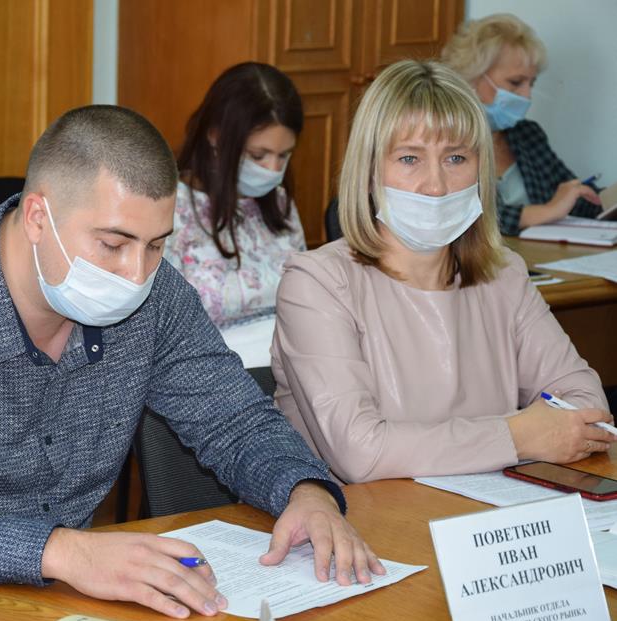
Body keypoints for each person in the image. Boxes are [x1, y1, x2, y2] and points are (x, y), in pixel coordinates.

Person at [0, 105, 385, 619]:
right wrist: (63, 552)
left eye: (157, 245)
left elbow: (235, 420)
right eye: (113, 244)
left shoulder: (155, 296)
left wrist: (305, 489)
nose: (137, 273)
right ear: (37, 218)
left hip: (48, 601)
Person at [271, 60, 614, 485]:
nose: (435, 184)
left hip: (494, 511)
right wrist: (519, 435)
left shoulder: (503, 274)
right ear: (370, 172)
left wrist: (510, 437)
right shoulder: (317, 284)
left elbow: (587, 406)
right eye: (409, 158)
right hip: (370, 518)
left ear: (480, 170)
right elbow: (361, 453)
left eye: (455, 157)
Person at [164, 62, 305, 367]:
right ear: (215, 136)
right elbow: (163, 328)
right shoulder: (173, 210)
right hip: (217, 371)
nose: (273, 169)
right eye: (258, 155)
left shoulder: (279, 202)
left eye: (284, 155)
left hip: (293, 363)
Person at [441, 13, 602, 236]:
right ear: (471, 78)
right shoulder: (441, 140)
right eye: (516, 82)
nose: (527, 96)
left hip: (539, 256)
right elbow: (457, 214)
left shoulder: (528, 134)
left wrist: (599, 198)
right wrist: (548, 211)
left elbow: (574, 197)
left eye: (531, 83)